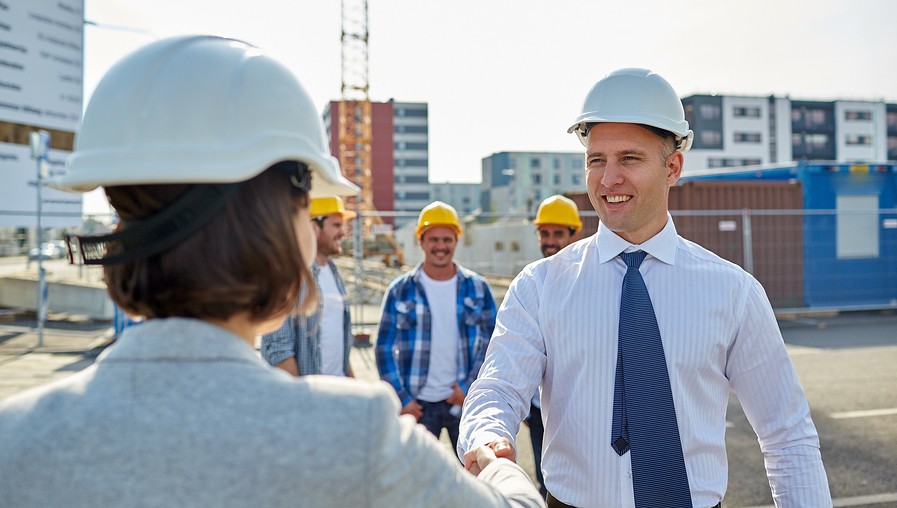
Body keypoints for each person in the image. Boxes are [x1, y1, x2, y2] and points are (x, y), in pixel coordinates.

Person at [0, 36, 545, 508]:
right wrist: (499, 466)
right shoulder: (354, 436)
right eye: (308, 207)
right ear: (277, 227)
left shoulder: (15, 437)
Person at [458, 68, 831, 507]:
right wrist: (489, 433)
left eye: (629, 159)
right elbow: (497, 388)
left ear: (672, 166)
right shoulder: (539, 287)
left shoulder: (733, 293)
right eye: (596, 160)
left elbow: (787, 435)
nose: (608, 179)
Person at [375, 201, 497, 450]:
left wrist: (468, 386)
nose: (441, 247)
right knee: (416, 480)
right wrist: (402, 398)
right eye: (434, 240)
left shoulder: (477, 288)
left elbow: (492, 343)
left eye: (447, 240)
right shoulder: (400, 290)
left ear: (456, 241)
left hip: (463, 401)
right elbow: (384, 349)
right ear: (421, 241)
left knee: (474, 476)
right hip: (417, 404)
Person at [524, 194, 583, 498]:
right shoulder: (531, 283)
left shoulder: (590, 283)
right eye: (544, 233)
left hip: (578, 411)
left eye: (558, 233)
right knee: (546, 485)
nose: (550, 241)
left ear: (575, 233)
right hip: (537, 410)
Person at [261, 195, 356, 377]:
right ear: (314, 227)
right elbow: (279, 349)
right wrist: (303, 400)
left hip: (338, 391)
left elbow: (339, 342)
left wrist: (353, 384)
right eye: (336, 225)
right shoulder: (289, 277)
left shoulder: (334, 273)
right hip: (310, 397)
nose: (343, 233)